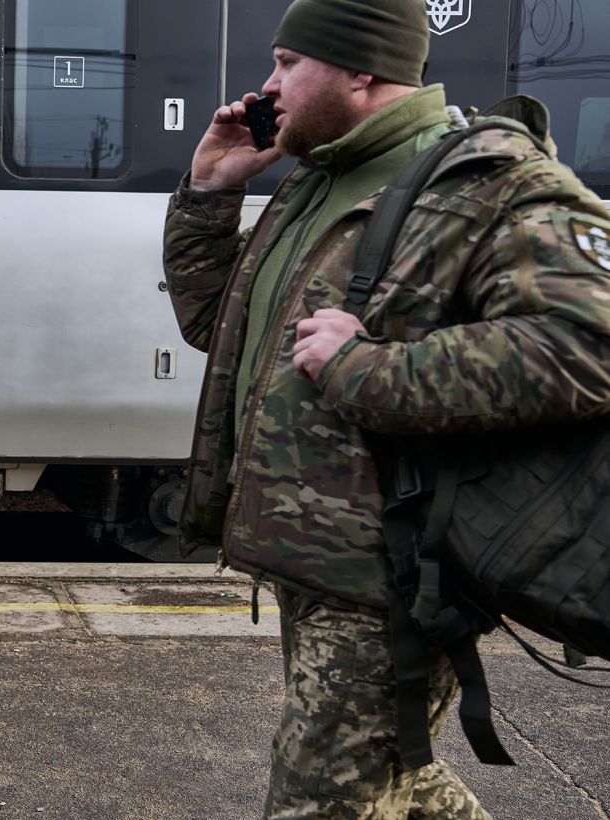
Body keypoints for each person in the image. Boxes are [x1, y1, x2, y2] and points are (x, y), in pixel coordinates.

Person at [162, 0, 610, 816]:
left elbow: (589, 345)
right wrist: (208, 194)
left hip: (392, 572)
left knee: (322, 799)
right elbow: (220, 331)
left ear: (360, 67)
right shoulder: (320, 179)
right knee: (401, 779)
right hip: (312, 561)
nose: (267, 86)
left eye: (288, 62)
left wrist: (364, 369)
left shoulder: (489, 179)